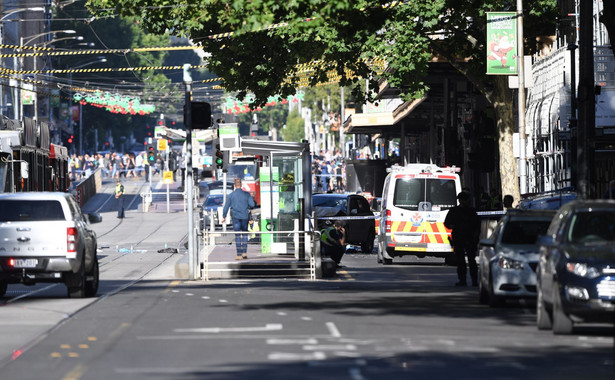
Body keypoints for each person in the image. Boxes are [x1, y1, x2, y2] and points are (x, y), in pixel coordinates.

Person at [444, 191, 480, 286]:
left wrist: (475, 236)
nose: (464, 201)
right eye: (462, 200)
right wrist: (454, 226)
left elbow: (477, 226)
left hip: (469, 239)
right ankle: (463, 280)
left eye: (465, 200)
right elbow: (447, 223)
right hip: (459, 238)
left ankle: (474, 281)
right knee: (461, 261)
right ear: (460, 200)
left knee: (471, 261)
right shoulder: (454, 211)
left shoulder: (471, 211)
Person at [222, 178, 256, 260]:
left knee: (237, 235)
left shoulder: (231, 195)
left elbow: (226, 207)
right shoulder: (247, 194)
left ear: (234, 186)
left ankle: (238, 254)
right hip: (245, 217)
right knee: (244, 234)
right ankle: (244, 253)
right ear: (241, 185)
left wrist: (224, 216)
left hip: (236, 217)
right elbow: (252, 205)